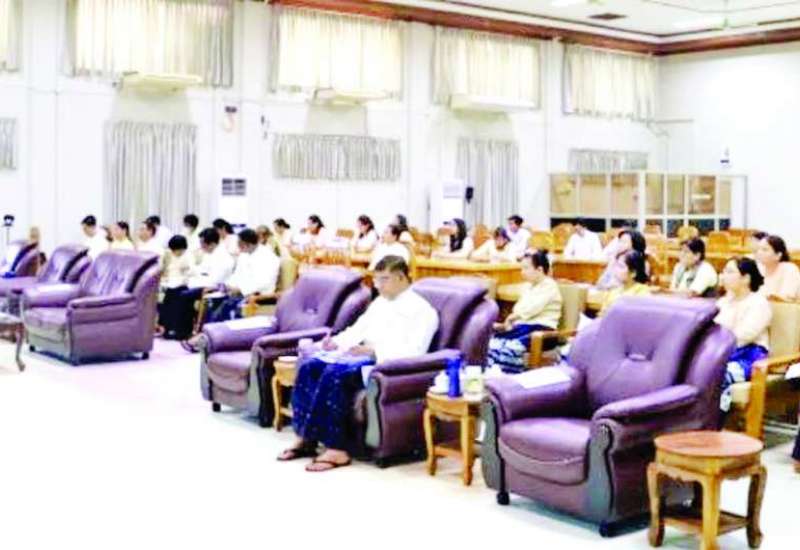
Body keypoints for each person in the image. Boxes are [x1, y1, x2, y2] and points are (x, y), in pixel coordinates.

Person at [278, 256, 438, 471]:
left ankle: (337, 448)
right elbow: (357, 331)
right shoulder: (380, 303)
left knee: (336, 373)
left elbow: (415, 352)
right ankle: (305, 438)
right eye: (377, 280)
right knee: (310, 366)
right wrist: (335, 343)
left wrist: (374, 352)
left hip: (385, 366)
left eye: (384, 279)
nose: (378, 285)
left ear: (401, 278)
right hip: (360, 356)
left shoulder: (423, 312)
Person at [487, 250, 563, 373]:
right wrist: (513, 318)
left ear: (539, 270)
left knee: (512, 346)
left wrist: (512, 318)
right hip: (524, 327)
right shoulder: (529, 286)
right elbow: (517, 309)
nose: (522, 272)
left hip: (543, 332)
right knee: (492, 342)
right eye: (522, 268)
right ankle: (494, 373)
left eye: (526, 268)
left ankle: (510, 373)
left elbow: (531, 309)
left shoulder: (550, 286)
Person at [715, 257, 772, 412]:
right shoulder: (723, 302)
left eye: (730, 272)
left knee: (714, 374)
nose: (723, 276)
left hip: (748, 357)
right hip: (721, 352)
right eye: (724, 271)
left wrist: (718, 349)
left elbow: (744, 336)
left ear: (746, 278)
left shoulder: (758, 303)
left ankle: (712, 420)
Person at [160, 228, 234, 343]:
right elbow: (201, 270)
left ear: (212, 244)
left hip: (213, 287)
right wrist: (191, 276)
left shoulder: (224, 258)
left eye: (202, 243)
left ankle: (183, 331)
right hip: (200, 282)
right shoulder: (209, 254)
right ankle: (168, 327)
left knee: (183, 294)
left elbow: (214, 280)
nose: (201, 246)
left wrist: (192, 279)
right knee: (172, 291)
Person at [204, 228, 281, 323]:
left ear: (247, 244)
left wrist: (240, 289)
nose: (238, 247)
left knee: (226, 306)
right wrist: (228, 285)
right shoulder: (244, 254)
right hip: (241, 292)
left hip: (259, 295)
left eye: (240, 244)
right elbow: (237, 275)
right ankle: (209, 329)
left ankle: (221, 330)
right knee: (213, 301)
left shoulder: (268, 257)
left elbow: (264, 282)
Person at [157, 235, 194, 338]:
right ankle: (166, 327)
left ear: (182, 248)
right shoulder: (169, 255)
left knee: (175, 296)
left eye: (176, 250)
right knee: (167, 297)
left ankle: (178, 330)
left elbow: (191, 272)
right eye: (172, 250)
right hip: (171, 283)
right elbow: (165, 270)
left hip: (185, 284)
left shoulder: (188, 256)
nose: (174, 252)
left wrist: (183, 276)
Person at [598, 250, 651, 317]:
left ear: (633, 273)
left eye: (621, 266)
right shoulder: (613, 292)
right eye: (616, 265)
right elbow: (602, 317)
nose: (616, 270)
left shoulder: (643, 293)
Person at [755, 235, 800, 301]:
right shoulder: (758, 268)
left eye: (765, 250)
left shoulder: (790, 269)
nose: (759, 252)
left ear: (778, 255)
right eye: (758, 249)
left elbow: (787, 297)